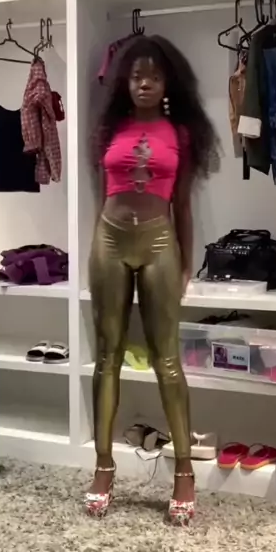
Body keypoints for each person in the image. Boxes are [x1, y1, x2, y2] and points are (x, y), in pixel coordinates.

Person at [85, 34, 220, 525]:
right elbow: (103, 193)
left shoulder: (180, 133)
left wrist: (186, 263)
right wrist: (96, 247)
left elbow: (181, 204)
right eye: (137, 75)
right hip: (109, 240)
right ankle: (104, 467)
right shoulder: (110, 127)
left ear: (167, 83)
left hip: (160, 241)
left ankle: (184, 472)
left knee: (167, 359)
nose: (144, 83)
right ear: (125, 81)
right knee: (108, 357)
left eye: (154, 76)